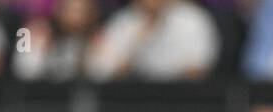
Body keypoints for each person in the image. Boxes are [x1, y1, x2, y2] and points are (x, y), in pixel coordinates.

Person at [88, 0, 219, 81]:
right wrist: (138, 42)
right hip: (129, 99)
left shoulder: (191, 19)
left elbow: (198, 68)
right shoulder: (123, 22)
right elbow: (98, 70)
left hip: (181, 100)